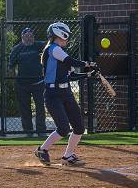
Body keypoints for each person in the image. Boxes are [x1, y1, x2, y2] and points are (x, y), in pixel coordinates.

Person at [34, 22, 96, 166]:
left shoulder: (61, 51)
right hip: (53, 93)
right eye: (65, 37)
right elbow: (71, 61)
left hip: (65, 92)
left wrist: (88, 74)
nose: (67, 40)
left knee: (79, 127)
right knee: (63, 128)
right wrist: (89, 64)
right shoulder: (53, 49)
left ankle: (68, 156)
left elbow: (70, 76)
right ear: (59, 34)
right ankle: (42, 150)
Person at [9, 28, 46, 136]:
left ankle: (41, 131)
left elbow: (51, 48)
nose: (29, 38)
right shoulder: (17, 49)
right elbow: (11, 66)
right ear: (22, 37)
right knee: (24, 109)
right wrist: (14, 80)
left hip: (39, 82)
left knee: (40, 107)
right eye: (27, 36)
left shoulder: (40, 46)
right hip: (22, 84)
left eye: (31, 36)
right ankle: (28, 131)